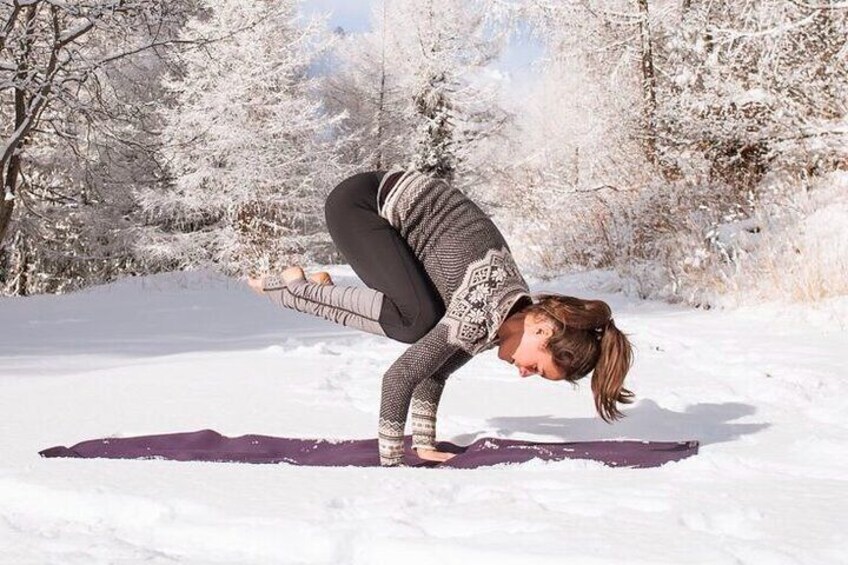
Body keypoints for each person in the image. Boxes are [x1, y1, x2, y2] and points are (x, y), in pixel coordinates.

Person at [247, 167, 634, 467]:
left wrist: (425, 444)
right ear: (542, 328)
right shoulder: (482, 309)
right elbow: (398, 378)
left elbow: (434, 370)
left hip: (381, 208)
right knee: (415, 321)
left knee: (425, 323)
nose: (522, 373)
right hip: (362, 204)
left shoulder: (505, 312)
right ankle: (293, 291)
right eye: (537, 368)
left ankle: (309, 287)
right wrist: (393, 462)